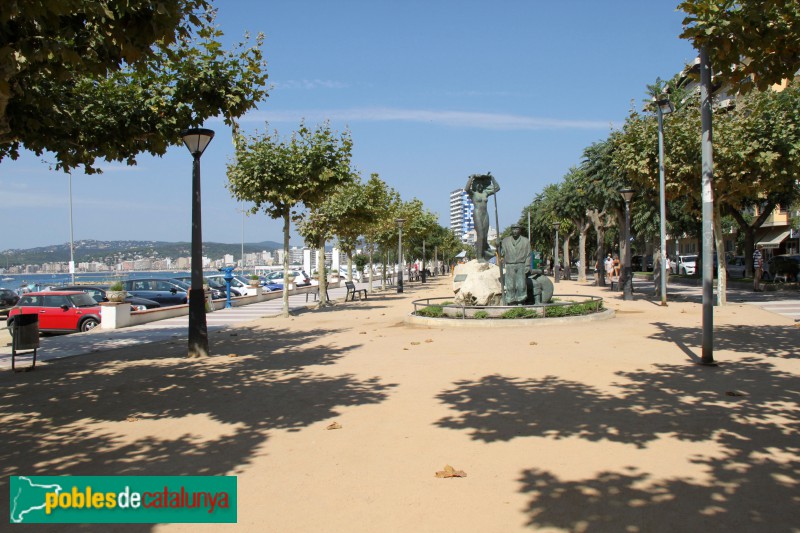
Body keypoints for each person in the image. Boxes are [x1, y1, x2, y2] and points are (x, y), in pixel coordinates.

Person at [464, 173, 500, 262]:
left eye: (481, 184)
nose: (479, 186)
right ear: (475, 186)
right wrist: (471, 177)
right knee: (480, 235)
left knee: (485, 235)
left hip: (485, 214)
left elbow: (497, 188)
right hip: (477, 214)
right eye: (477, 184)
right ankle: (479, 257)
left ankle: (484, 254)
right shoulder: (473, 194)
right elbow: (466, 189)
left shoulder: (485, 193)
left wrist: (492, 178)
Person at [499, 224, 531, 305]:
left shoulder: (526, 241)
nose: (515, 231)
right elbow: (501, 253)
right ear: (511, 230)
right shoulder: (505, 241)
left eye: (517, 229)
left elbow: (528, 254)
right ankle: (511, 300)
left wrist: (527, 265)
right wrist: (497, 246)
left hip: (521, 264)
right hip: (510, 265)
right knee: (510, 285)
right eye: (513, 229)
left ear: (520, 230)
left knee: (521, 284)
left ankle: (521, 300)